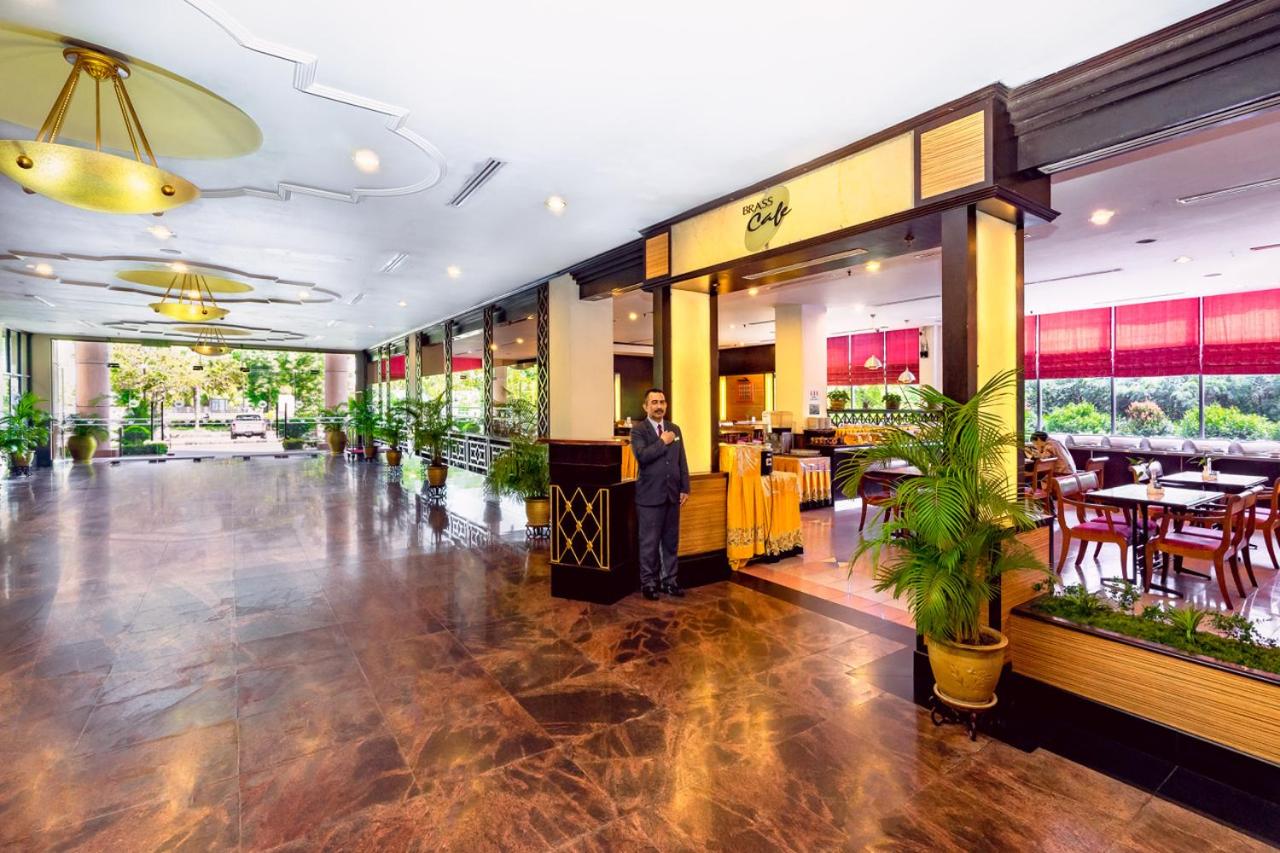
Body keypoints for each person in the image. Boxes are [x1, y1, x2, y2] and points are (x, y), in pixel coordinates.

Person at [630, 388, 690, 600]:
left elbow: (681, 460)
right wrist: (662, 441)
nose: (659, 406)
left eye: (662, 402)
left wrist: (685, 487)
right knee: (649, 543)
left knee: (670, 542)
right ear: (645, 406)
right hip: (649, 496)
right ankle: (648, 584)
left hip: (672, 495)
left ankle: (670, 582)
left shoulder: (675, 428)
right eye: (654, 402)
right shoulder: (638, 431)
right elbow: (643, 456)